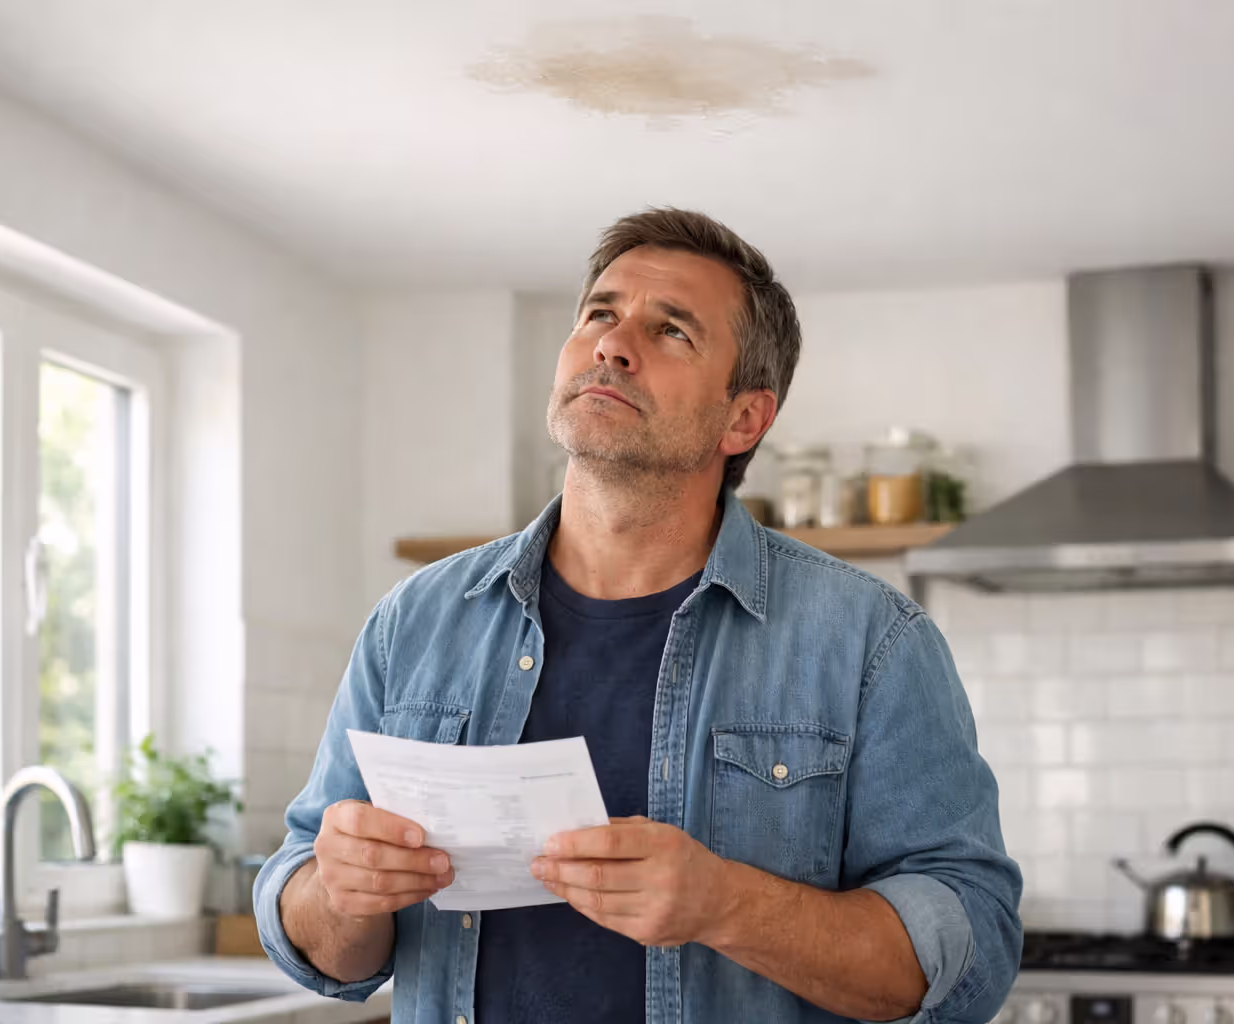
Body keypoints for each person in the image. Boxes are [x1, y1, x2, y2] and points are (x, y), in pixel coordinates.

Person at [254, 208, 1022, 1024]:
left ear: (744, 419)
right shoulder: (414, 621)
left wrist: (726, 904)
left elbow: (971, 951)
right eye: (600, 314)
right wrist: (343, 892)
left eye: (672, 331)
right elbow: (314, 933)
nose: (613, 346)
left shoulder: (872, 642)